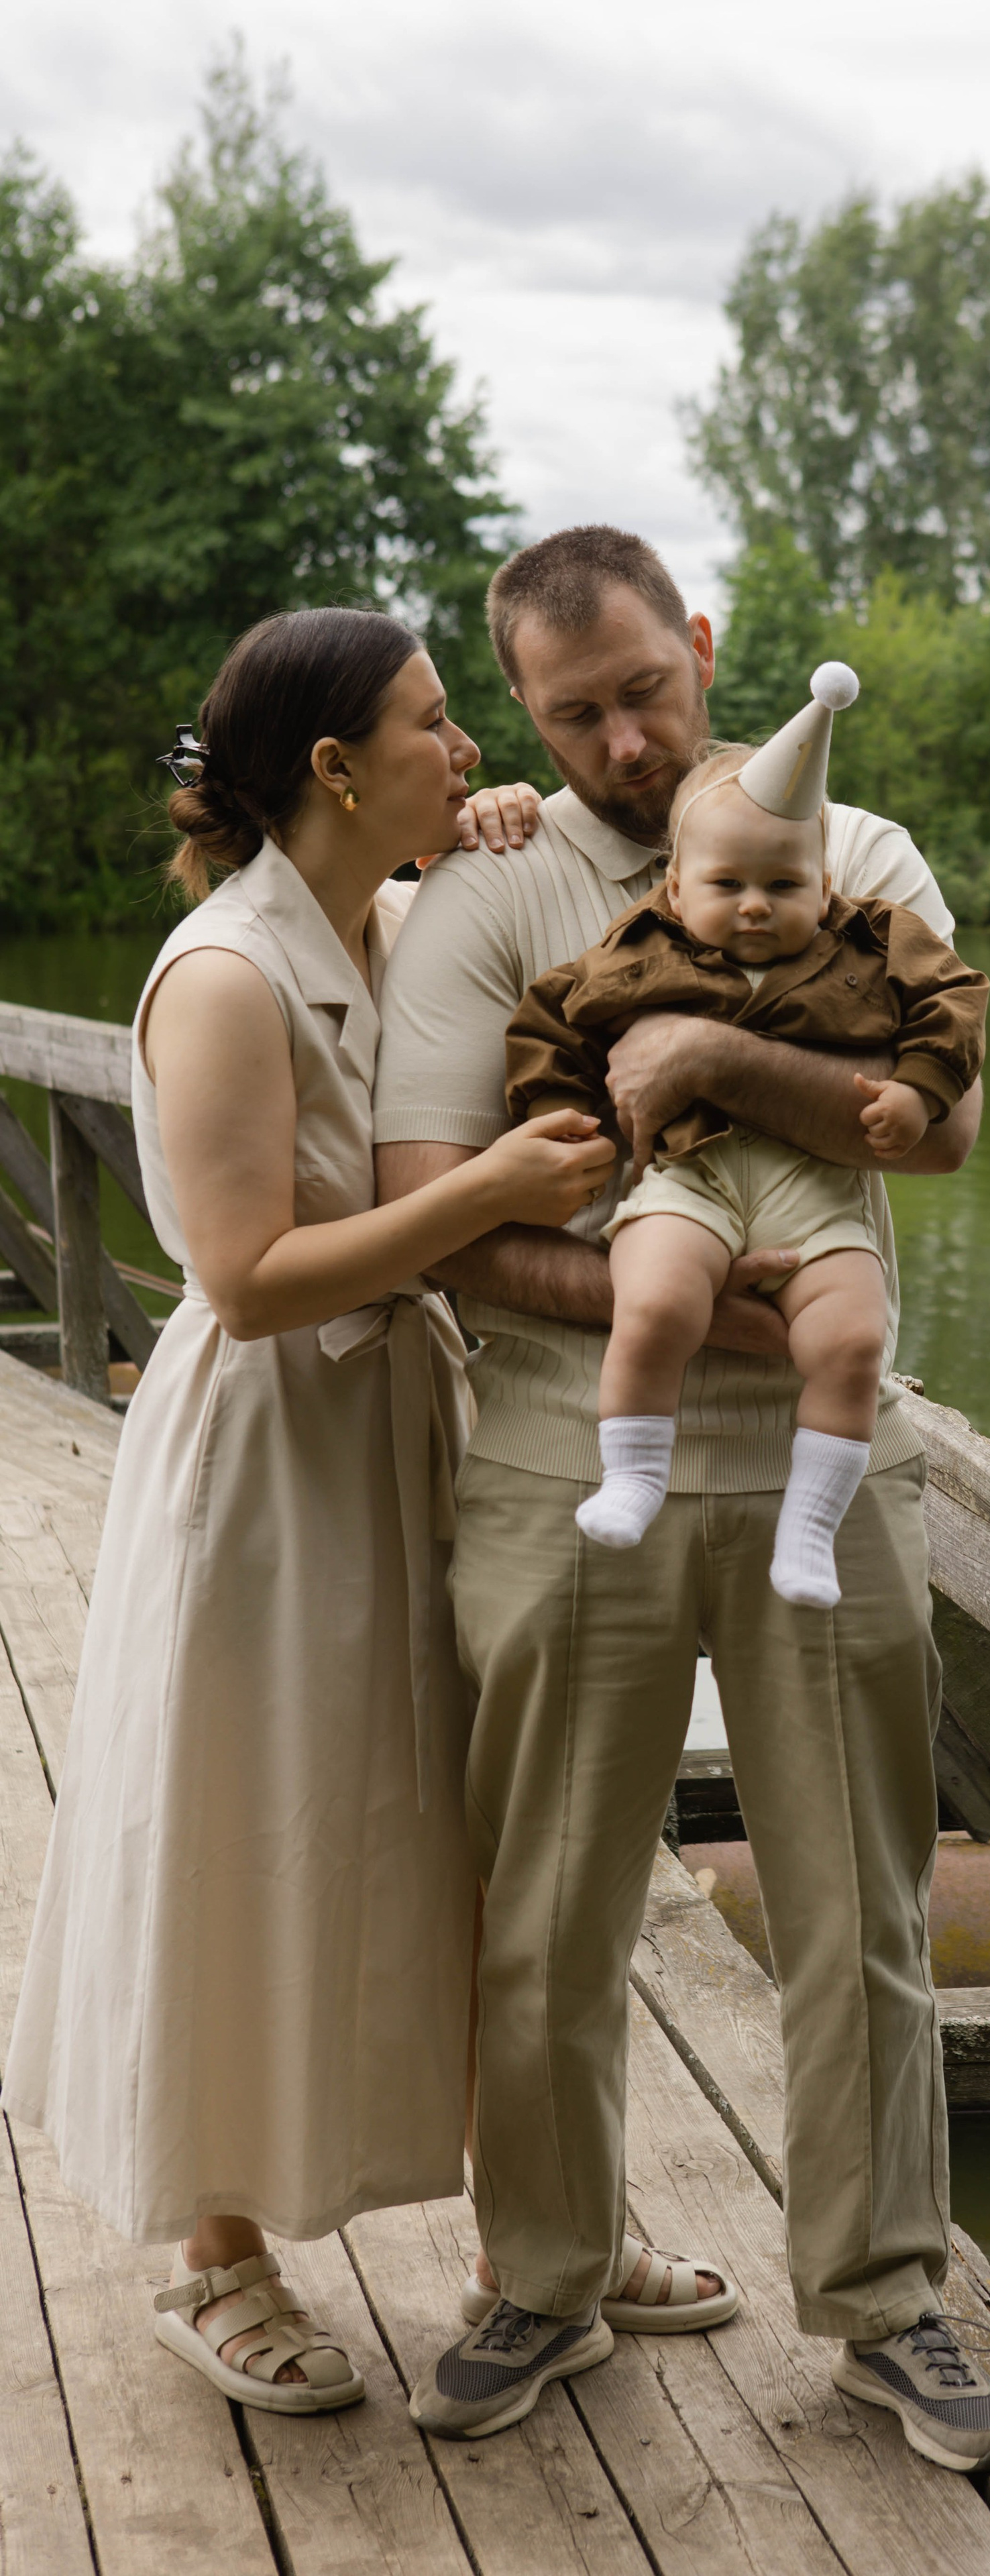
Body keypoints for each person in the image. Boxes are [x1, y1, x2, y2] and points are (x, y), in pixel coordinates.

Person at [374, 525, 990, 2471]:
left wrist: (704, 1049)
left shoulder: (861, 852)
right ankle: (545, 2276)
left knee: (864, 1913)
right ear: (520, 712)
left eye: (647, 692)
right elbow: (438, 1214)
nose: (622, 742)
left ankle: (888, 2304)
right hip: (561, 1466)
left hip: (832, 1475)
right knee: (546, 1914)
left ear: (706, 645)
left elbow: (947, 1129)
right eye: (572, 714)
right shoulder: (486, 891)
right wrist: (715, 1311)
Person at [2, 608, 614, 2414]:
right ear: (337, 769)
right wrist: (490, 1193)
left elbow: (579, 944)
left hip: (409, 1423)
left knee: (454, 1829)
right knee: (240, 1818)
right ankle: (216, 2258)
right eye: (436, 724)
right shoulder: (223, 975)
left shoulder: (402, 917)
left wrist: (507, 838)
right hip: (270, 1452)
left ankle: (536, 2239)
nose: (467, 747)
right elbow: (249, 1277)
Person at [504, 682, 988, 1606]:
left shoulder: (871, 944)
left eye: (784, 885)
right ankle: (633, 1474)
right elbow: (550, 1020)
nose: (756, 906)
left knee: (854, 1340)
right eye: (728, 886)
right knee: (653, 1302)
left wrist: (919, 1090)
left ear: (826, 885)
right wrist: (557, 1115)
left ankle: (810, 1528)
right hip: (689, 1176)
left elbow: (954, 999)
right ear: (677, 889)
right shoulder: (640, 950)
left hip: (817, 1188)